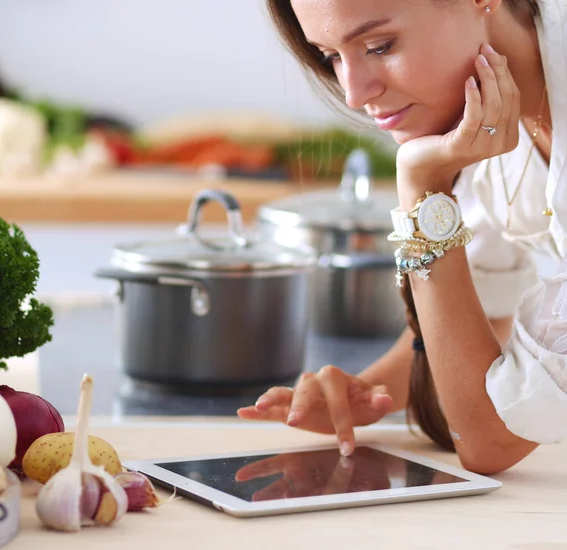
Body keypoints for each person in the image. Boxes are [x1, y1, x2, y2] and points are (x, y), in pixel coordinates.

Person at [237, 0, 567, 474]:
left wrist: (422, 188)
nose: (353, 93)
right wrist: (367, 391)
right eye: (331, 54)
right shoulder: (488, 103)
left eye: (379, 45)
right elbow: (487, 309)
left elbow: (493, 439)